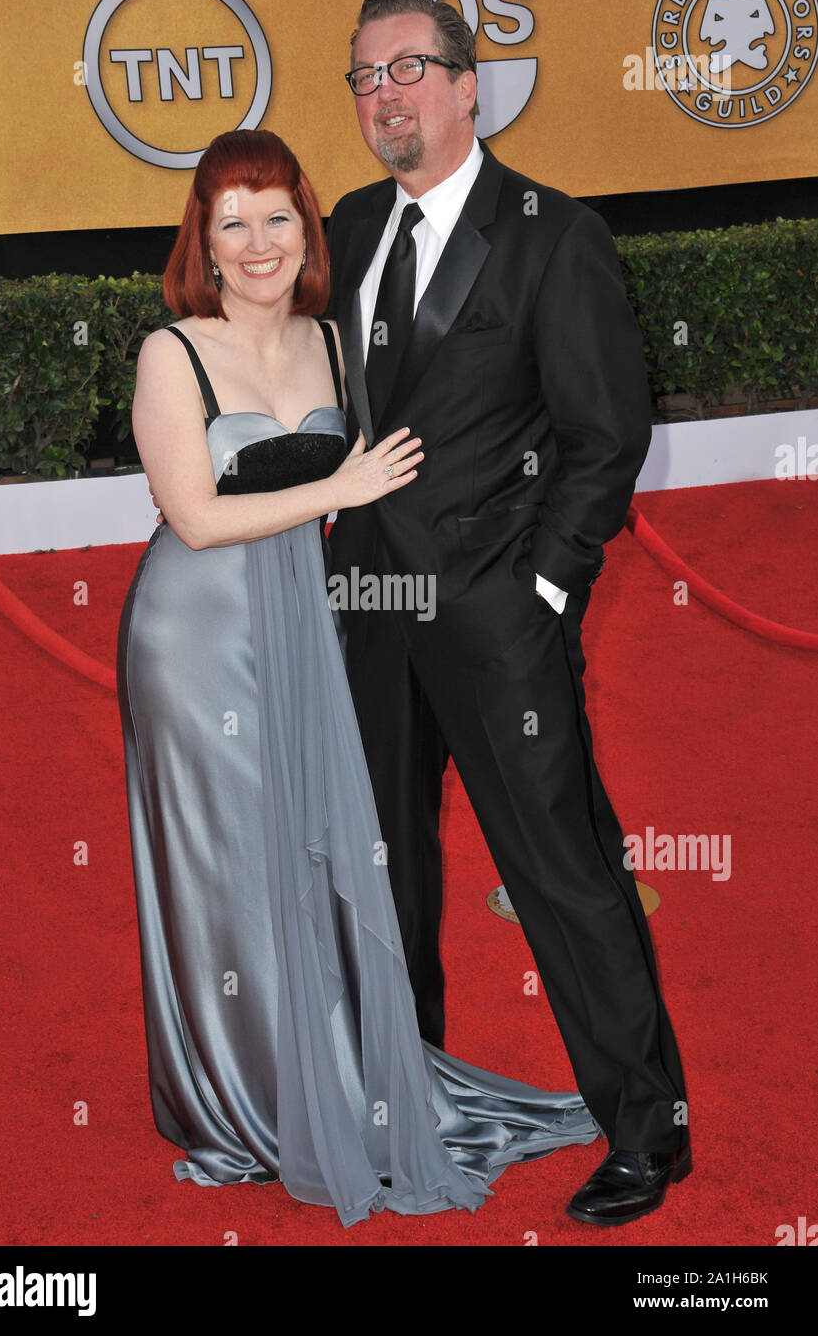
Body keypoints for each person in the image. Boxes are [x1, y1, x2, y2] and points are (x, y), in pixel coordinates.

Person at [118, 126, 601, 1231]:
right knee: (229, 865)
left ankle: (334, 1072)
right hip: (195, 638)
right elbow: (193, 517)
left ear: (308, 228)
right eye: (229, 222)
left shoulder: (335, 344)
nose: (255, 243)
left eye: (276, 217)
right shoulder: (171, 352)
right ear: (201, 236)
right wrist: (345, 476)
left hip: (309, 620)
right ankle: (243, 1102)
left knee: (309, 850)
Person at [324, 0, 691, 1226]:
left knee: (563, 873)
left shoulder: (550, 232)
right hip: (367, 605)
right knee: (386, 875)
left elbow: (607, 433)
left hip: (495, 615)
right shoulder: (352, 222)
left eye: (410, 69)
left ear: (470, 85)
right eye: (367, 77)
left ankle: (648, 1128)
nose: (387, 95)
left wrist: (543, 585)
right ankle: (401, 1097)